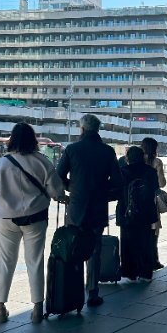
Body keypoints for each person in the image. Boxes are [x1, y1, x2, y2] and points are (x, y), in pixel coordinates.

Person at [0, 122, 64, 324]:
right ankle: (38, 309)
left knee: (5, 262)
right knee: (35, 262)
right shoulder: (42, 162)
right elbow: (57, 192)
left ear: (12, 139)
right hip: (36, 218)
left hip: (6, 220)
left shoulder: (1, 164)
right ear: (33, 140)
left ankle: (0, 307)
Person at [57, 114, 122, 307]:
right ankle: (93, 293)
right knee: (94, 251)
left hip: (76, 209)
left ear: (82, 129)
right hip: (97, 210)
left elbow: (59, 176)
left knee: (73, 247)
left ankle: (70, 293)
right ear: (98, 130)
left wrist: (73, 189)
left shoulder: (72, 149)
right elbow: (118, 183)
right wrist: (103, 194)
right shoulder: (107, 151)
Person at [117, 146, 159, 282]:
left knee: (127, 242)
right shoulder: (151, 172)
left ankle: (130, 273)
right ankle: (146, 273)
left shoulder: (123, 171)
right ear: (143, 157)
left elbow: (117, 192)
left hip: (127, 212)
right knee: (145, 242)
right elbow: (155, 189)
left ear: (128, 158)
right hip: (146, 213)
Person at [141, 137, 166, 270]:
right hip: (151, 202)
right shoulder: (156, 162)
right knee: (153, 232)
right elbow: (161, 183)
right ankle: (153, 261)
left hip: (136, 202)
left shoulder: (135, 160)